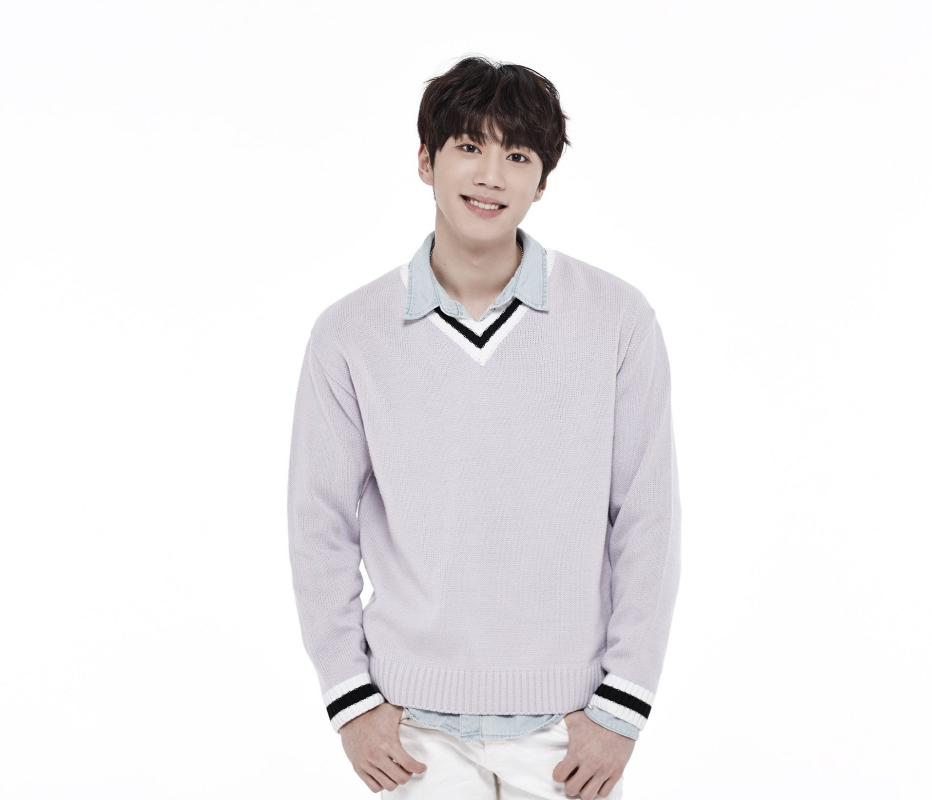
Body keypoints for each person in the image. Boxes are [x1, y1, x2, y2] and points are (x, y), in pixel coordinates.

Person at [287, 54, 682, 800]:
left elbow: (647, 519)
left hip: (571, 728)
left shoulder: (617, 320)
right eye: (469, 146)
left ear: (543, 180)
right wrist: (351, 702)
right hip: (412, 730)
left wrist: (622, 709)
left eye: (518, 155)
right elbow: (320, 525)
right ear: (426, 160)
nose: (491, 175)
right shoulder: (349, 334)